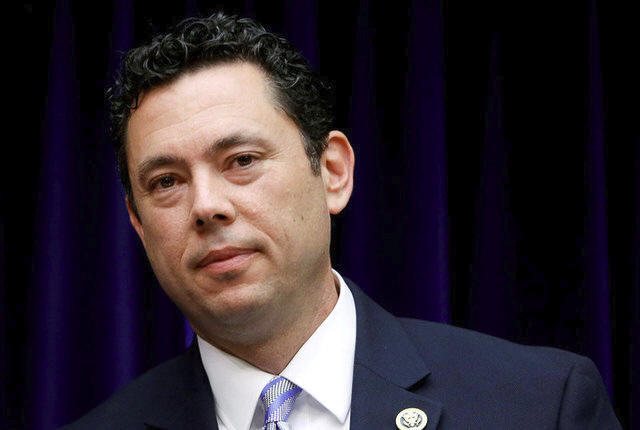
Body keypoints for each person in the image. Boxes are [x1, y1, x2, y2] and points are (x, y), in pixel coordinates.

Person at [61, 13, 621, 430]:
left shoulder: (540, 405)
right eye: (166, 182)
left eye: (242, 161)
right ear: (137, 223)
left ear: (332, 172)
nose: (206, 206)